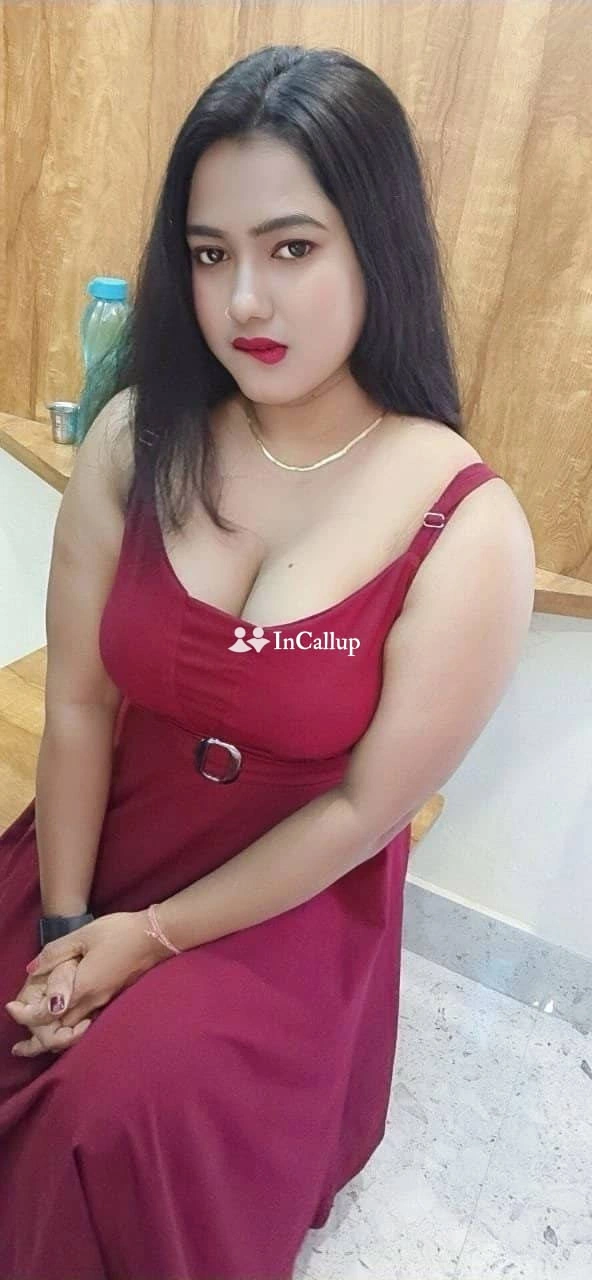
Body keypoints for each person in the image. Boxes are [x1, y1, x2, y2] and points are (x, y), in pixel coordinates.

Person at [0, 44, 535, 1280]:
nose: (244, 299)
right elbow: (76, 699)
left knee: (111, 1118)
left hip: (283, 899)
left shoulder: (465, 525)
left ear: (375, 247)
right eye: (209, 254)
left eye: (291, 247)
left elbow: (363, 812)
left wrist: (152, 936)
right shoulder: (138, 437)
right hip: (103, 836)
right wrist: (70, 919)